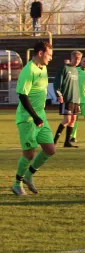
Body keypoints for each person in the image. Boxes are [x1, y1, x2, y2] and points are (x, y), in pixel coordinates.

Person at [11, 41, 54, 196]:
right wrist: (35, 117)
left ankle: (28, 175)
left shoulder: (44, 68)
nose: (51, 58)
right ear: (40, 53)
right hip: (28, 119)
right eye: (49, 54)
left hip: (40, 116)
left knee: (50, 149)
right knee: (29, 154)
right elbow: (22, 95)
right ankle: (17, 184)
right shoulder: (28, 70)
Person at [52, 51, 82, 148]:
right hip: (67, 98)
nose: (77, 61)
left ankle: (67, 142)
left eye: (79, 59)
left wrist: (78, 98)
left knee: (73, 119)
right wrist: (59, 94)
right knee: (67, 119)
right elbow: (56, 83)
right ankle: (54, 141)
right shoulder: (64, 68)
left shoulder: (76, 70)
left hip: (75, 99)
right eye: (76, 59)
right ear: (72, 58)